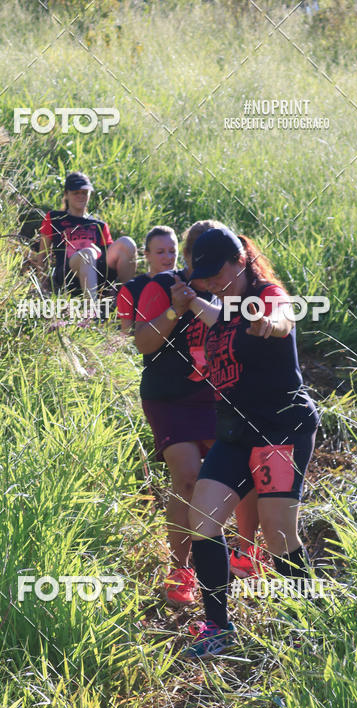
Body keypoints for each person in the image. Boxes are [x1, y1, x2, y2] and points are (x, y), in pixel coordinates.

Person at [169, 225, 319, 658]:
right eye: (207, 276)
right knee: (203, 519)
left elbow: (282, 318)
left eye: (220, 274)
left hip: (281, 428)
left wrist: (268, 324)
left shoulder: (265, 295)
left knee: (278, 533)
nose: (214, 282)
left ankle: (308, 623)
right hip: (235, 431)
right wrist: (192, 300)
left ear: (241, 262)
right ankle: (217, 627)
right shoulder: (224, 305)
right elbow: (215, 317)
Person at [134, 220, 259, 609]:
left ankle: (245, 552)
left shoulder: (227, 287)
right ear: (187, 257)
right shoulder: (160, 287)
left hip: (215, 397)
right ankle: (180, 569)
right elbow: (143, 342)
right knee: (187, 478)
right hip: (168, 399)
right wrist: (175, 308)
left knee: (243, 475)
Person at [36, 172, 137, 303]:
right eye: (75, 192)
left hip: (96, 272)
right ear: (66, 194)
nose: (80, 196)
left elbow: (109, 257)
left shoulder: (99, 225)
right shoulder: (54, 218)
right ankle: (91, 314)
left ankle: (123, 300)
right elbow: (42, 254)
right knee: (87, 254)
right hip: (68, 274)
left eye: (84, 192)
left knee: (127, 242)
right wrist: (43, 286)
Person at [117, 226, 178, 336]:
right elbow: (126, 336)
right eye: (160, 252)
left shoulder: (187, 283)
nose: (168, 257)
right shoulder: (130, 289)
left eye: (172, 251)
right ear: (147, 255)